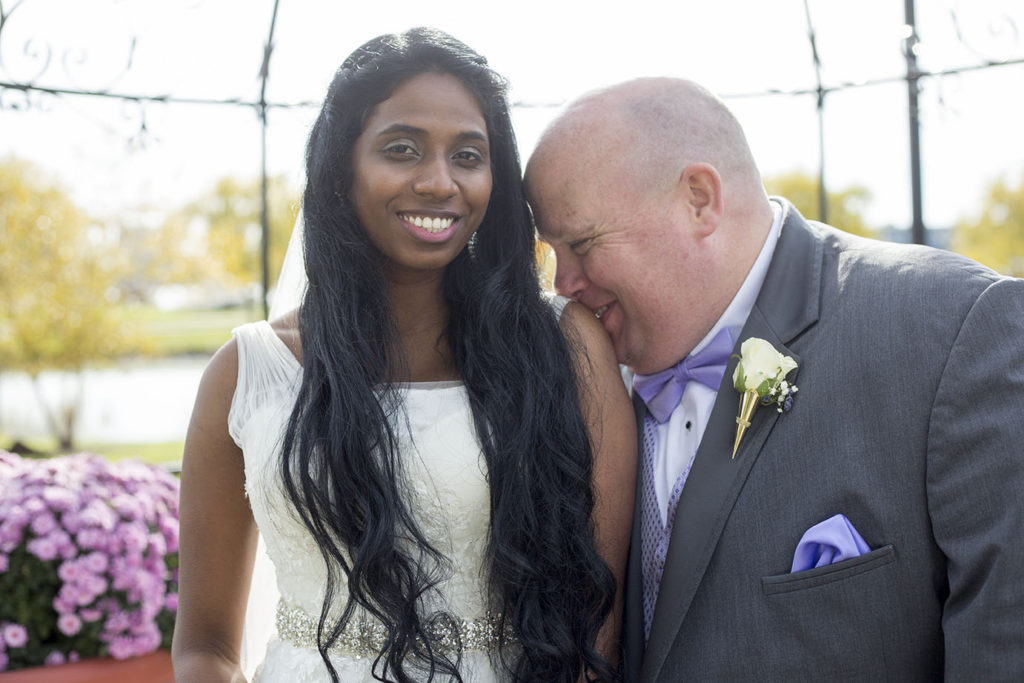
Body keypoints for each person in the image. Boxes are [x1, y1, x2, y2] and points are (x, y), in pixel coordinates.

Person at [172, 28, 636, 683]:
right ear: (342, 167)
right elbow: (205, 647)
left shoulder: (562, 346)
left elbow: (600, 629)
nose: (438, 181)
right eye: (402, 149)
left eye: (468, 155)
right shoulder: (248, 371)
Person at [524, 77, 1024, 681]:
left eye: (580, 243)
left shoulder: (952, 330)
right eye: (552, 252)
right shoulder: (581, 385)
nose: (563, 285)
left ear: (700, 199)